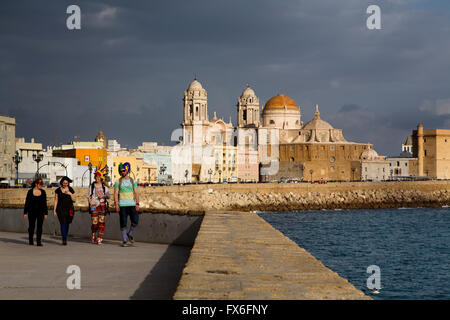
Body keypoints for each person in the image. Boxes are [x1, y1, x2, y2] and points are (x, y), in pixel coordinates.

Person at [114, 162, 139, 247]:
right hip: (122, 205)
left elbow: (136, 193)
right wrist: (116, 204)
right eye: (121, 171)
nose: (123, 172)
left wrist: (137, 203)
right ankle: (124, 240)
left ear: (127, 170)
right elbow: (115, 193)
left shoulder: (133, 181)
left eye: (124, 170)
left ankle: (130, 233)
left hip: (132, 204)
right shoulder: (118, 182)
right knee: (123, 222)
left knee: (135, 220)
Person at [88, 166, 110, 245]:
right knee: (95, 223)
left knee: (101, 222)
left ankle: (100, 238)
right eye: (96, 177)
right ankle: (93, 233)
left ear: (101, 178)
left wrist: (103, 196)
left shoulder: (104, 187)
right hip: (94, 205)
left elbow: (108, 196)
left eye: (98, 177)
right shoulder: (92, 186)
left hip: (102, 205)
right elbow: (88, 196)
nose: (97, 178)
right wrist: (90, 204)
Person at [24, 177, 48, 246]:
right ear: (36, 184)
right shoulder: (30, 192)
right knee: (31, 226)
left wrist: (46, 213)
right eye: (40, 183)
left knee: (39, 227)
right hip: (31, 212)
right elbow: (27, 202)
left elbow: (44, 203)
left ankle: (38, 241)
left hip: (40, 212)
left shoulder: (43, 192)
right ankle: (31, 240)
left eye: (42, 183)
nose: (41, 185)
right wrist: (25, 212)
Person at [54, 176, 75, 245]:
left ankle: (65, 236)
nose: (65, 184)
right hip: (60, 209)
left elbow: (74, 200)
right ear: (61, 183)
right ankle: (64, 238)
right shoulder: (57, 190)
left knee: (67, 223)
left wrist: (69, 193)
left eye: (66, 183)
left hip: (69, 209)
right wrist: (54, 210)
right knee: (63, 223)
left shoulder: (71, 190)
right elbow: (56, 200)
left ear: (68, 183)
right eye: (63, 183)